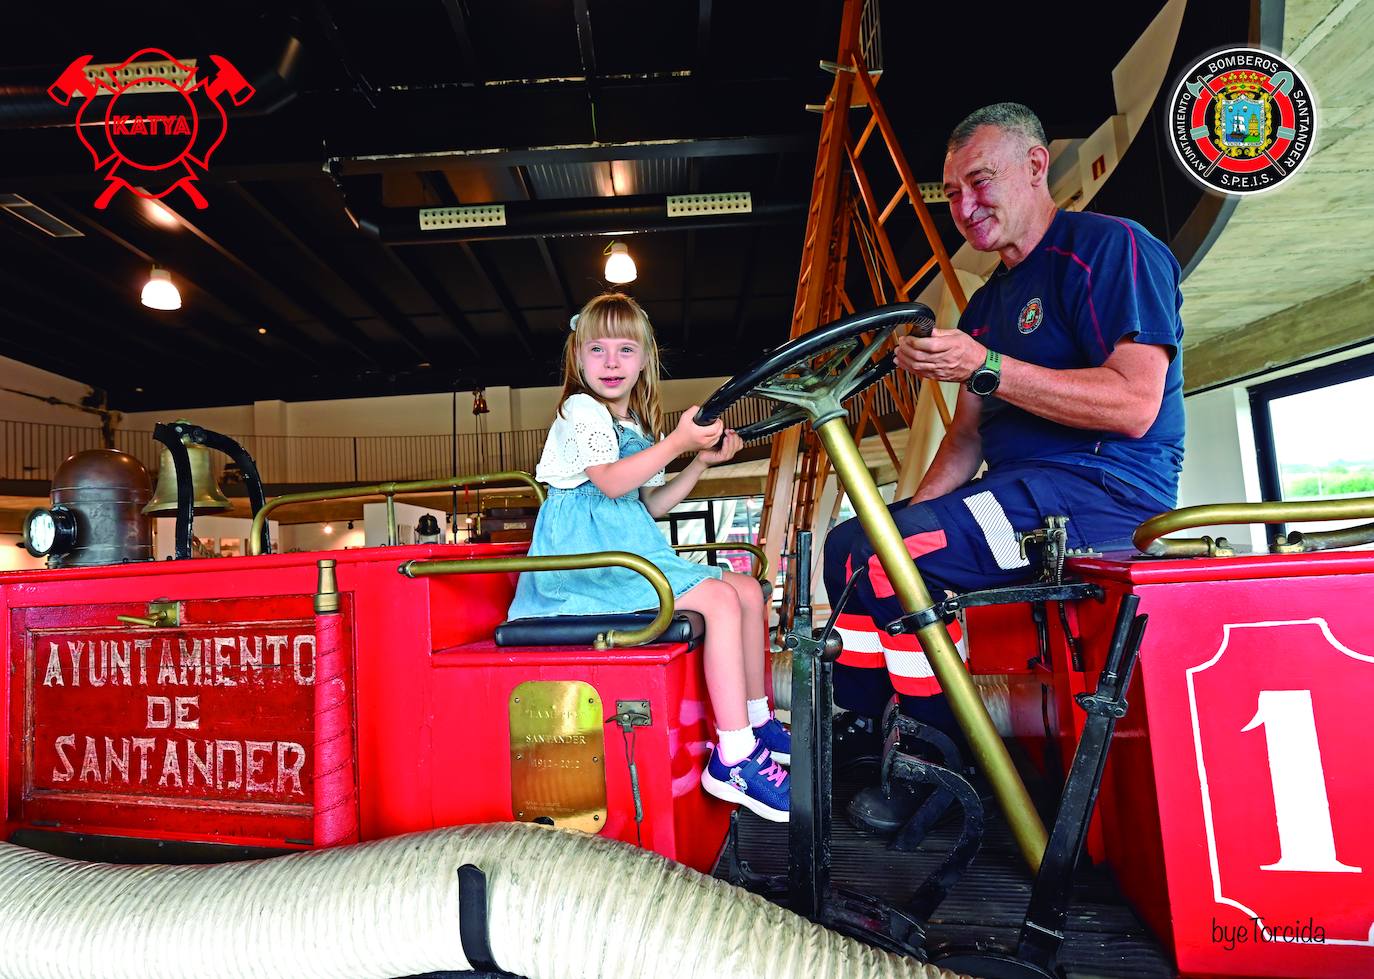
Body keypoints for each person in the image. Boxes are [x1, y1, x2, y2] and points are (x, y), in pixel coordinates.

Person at [823, 102, 1185, 834]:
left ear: (1035, 165)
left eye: (978, 181)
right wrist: (897, 520)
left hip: (1102, 490)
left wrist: (987, 363)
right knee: (854, 546)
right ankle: (867, 728)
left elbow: (1135, 403)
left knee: (902, 557)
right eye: (951, 193)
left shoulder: (1113, 248)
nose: (964, 206)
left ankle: (947, 767)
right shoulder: (987, 302)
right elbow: (963, 440)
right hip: (1016, 491)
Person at [508, 292, 791, 822]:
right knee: (719, 601)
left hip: (627, 548)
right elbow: (612, 485)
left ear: (644, 359)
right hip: (586, 564)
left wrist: (698, 463)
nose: (611, 362)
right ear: (577, 358)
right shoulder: (580, 410)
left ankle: (756, 720)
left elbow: (649, 503)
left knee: (748, 589)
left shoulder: (634, 423)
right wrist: (680, 439)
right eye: (597, 349)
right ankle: (732, 757)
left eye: (625, 349)